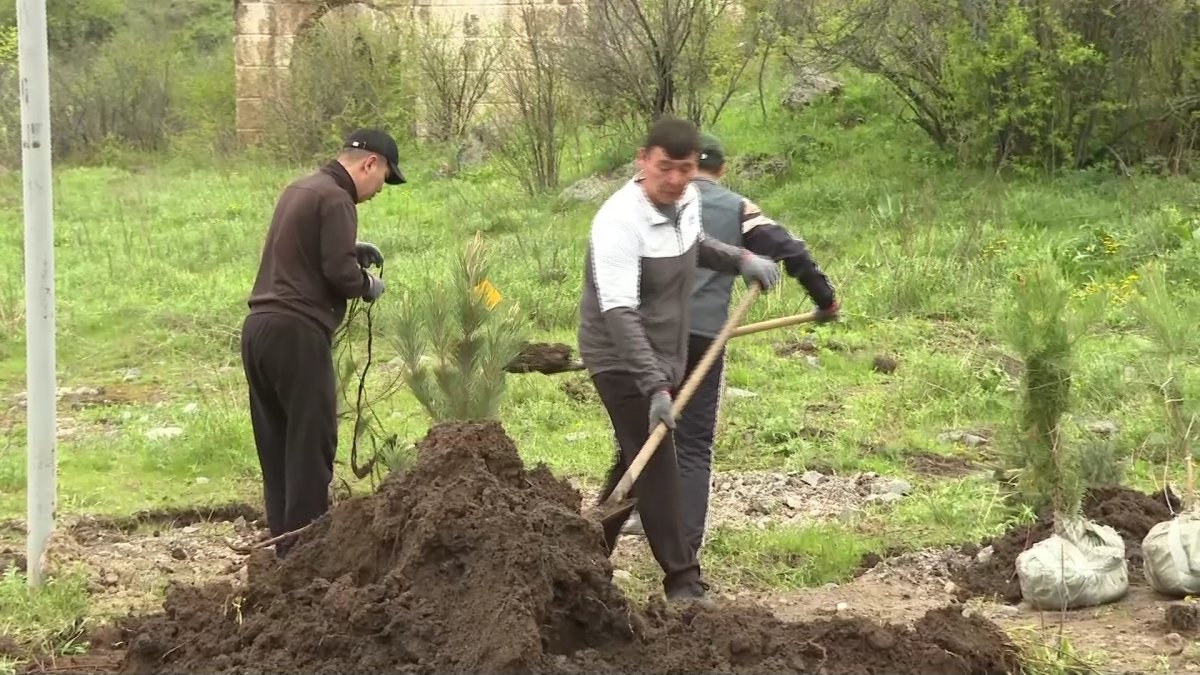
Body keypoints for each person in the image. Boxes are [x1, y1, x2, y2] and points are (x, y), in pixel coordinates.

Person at [578, 117, 781, 602]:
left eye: (685, 169)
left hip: (663, 349)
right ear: (643, 160)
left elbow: (693, 247)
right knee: (658, 460)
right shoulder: (618, 221)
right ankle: (682, 580)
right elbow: (621, 314)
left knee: (636, 453)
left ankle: (584, 554)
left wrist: (739, 259)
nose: (674, 179)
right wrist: (654, 386)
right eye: (665, 167)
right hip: (618, 353)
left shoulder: (685, 200)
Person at [239, 128, 404, 557]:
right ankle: (307, 557)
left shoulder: (301, 188)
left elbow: (302, 253)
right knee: (312, 444)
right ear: (370, 164)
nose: (377, 191)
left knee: (276, 445)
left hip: (259, 329)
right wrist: (366, 283)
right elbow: (339, 275)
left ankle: (283, 551)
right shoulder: (336, 198)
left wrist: (349, 248)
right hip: (297, 332)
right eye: (384, 178)